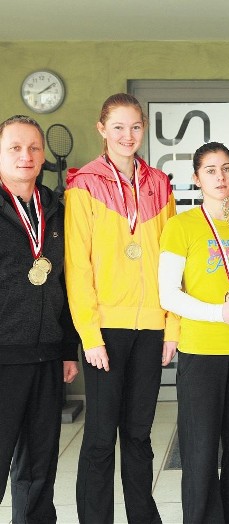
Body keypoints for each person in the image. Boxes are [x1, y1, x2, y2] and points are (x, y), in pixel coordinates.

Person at [65, 93, 179, 524]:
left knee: (138, 435)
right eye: (118, 127)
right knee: (98, 437)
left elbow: (174, 265)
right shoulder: (83, 185)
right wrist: (89, 336)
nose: (127, 136)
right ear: (101, 129)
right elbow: (77, 267)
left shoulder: (160, 184)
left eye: (135, 127)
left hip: (151, 328)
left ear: (144, 129)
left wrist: (172, 329)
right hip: (105, 332)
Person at [158, 141, 229, 523]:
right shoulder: (181, 226)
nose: (220, 177)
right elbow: (168, 294)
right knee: (200, 453)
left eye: (226, 168)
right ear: (196, 178)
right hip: (201, 352)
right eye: (210, 170)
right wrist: (217, 313)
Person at [0, 115, 78, 523]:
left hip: (46, 357)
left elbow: (63, 284)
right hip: (3, 357)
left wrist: (67, 350)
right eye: (14, 147)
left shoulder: (55, 209)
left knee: (39, 469)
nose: (25, 156)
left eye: (32, 148)